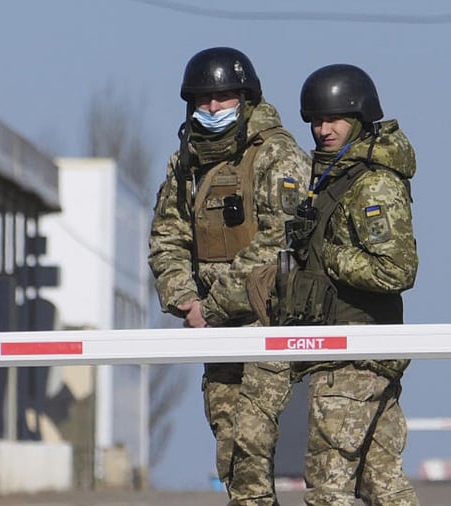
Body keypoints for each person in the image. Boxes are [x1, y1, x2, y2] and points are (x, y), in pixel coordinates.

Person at [147, 47, 310, 498]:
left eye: (224, 98)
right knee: (231, 456)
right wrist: (185, 299)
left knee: (252, 441)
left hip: (267, 322)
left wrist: (213, 306)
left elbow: (281, 243)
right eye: (204, 100)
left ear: (246, 97)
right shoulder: (187, 163)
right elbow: (167, 236)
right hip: (215, 329)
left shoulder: (278, 156)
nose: (214, 108)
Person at [277, 63, 419, 505]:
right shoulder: (331, 177)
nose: (323, 130)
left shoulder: (372, 183)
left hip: (354, 355)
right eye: (317, 121)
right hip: (344, 353)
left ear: (358, 119)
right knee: (383, 485)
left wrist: (330, 258)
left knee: (328, 487)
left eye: (334, 120)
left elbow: (397, 269)